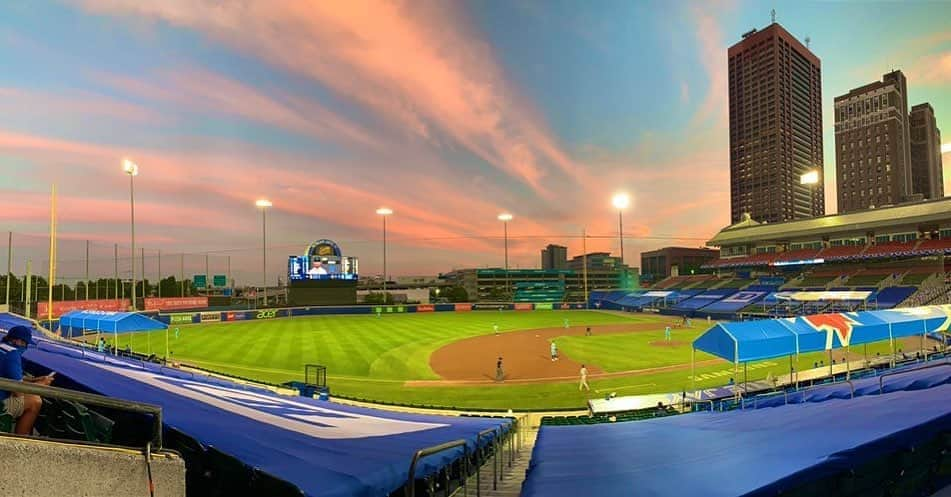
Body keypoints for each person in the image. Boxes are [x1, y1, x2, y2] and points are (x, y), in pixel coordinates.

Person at [1, 326, 53, 435]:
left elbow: (14, 377)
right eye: (25, 343)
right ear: (18, 341)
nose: (26, 347)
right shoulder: (12, 355)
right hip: (1, 404)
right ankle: (22, 441)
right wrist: (40, 385)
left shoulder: (2, 347)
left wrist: (35, 380)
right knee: (35, 401)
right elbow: (18, 392)